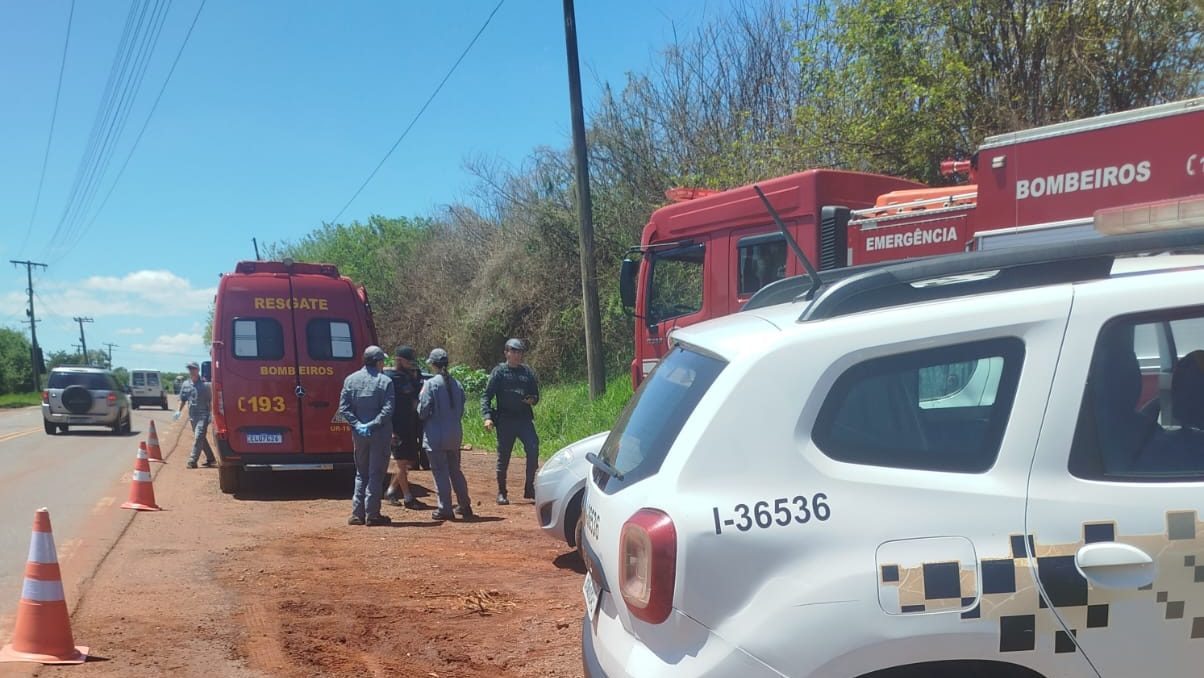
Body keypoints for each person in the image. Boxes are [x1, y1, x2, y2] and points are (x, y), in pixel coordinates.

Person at [339, 346, 395, 526]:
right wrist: (373, 424)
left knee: (361, 473)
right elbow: (388, 409)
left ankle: (357, 514)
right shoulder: (385, 381)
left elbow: (344, 408)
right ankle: (372, 514)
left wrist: (358, 425)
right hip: (379, 433)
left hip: (359, 434)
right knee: (376, 473)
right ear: (378, 362)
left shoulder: (350, 380)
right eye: (382, 361)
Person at [480, 337, 540, 505]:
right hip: (505, 420)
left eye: (519, 352)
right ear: (506, 353)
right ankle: (502, 492)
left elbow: (536, 396)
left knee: (533, 448)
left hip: (524, 419)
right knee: (503, 456)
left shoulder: (527, 372)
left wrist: (532, 400)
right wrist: (487, 417)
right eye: (513, 351)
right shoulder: (499, 372)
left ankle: (529, 487)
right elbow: (486, 396)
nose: (517, 355)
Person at [418, 348, 472, 521]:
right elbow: (460, 410)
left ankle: (445, 508)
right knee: (455, 470)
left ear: (433, 364)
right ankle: (465, 505)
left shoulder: (430, 384)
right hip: (454, 435)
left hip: (436, 436)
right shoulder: (457, 384)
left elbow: (423, 411)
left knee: (440, 472)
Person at [384, 345, 424, 509]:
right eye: (408, 362)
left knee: (407, 462)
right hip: (396, 426)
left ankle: (392, 490)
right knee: (401, 463)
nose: (411, 365)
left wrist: (415, 376)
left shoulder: (410, 377)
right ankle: (408, 497)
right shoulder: (390, 377)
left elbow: (417, 394)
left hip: (409, 425)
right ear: (399, 361)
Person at [174, 361, 216, 468]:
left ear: (198, 370)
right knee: (201, 438)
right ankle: (211, 459)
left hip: (203, 415)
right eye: (190, 369)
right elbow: (183, 399)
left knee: (198, 437)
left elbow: (211, 400)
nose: (191, 371)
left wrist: (211, 414)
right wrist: (178, 411)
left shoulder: (206, 384)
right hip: (193, 416)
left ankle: (192, 461)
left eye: (193, 368)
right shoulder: (186, 384)